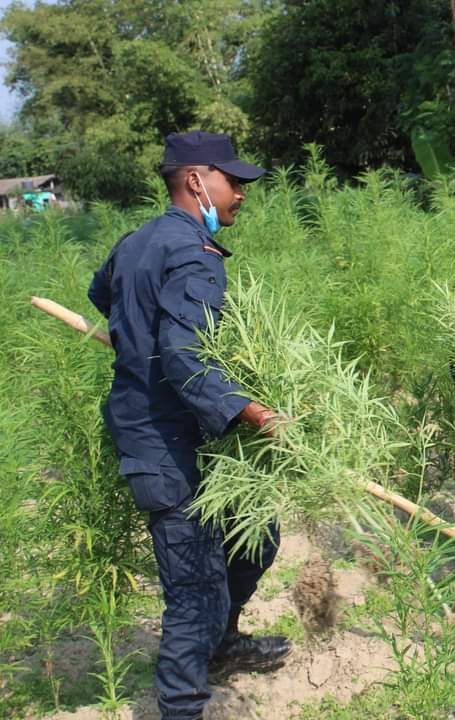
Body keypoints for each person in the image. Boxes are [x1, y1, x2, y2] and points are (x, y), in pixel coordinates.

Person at [87, 131, 290, 720]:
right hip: (162, 439)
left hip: (184, 429)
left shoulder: (137, 241)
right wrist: (250, 410)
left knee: (257, 534)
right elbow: (183, 357)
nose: (242, 196)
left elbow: (102, 293)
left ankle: (220, 645)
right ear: (197, 181)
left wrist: (138, 331)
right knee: (194, 591)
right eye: (234, 183)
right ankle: (181, 705)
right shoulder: (193, 254)